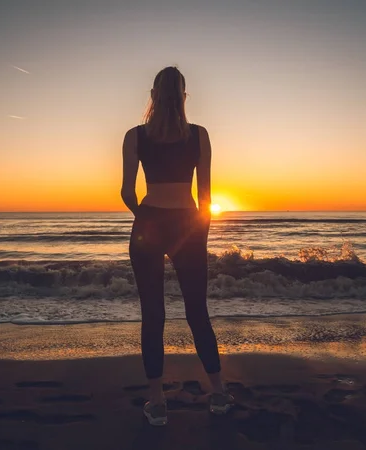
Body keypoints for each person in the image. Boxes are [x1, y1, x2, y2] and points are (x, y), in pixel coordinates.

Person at [121, 66, 232, 426]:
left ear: (152, 96)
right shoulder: (199, 135)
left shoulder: (134, 136)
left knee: (153, 315)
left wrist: (147, 216)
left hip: (149, 223)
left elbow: (126, 192)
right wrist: (199, 232)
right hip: (188, 223)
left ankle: (157, 402)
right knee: (197, 311)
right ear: (184, 97)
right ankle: (217, 392)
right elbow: (205, 196)